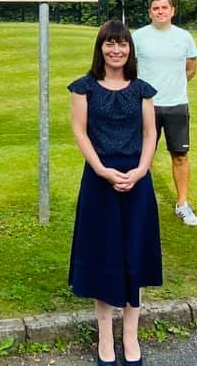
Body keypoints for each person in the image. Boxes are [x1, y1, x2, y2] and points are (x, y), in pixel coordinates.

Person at [68, 20, 161, 366]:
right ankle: (105, 336)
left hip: (137, 180)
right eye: (110, 44)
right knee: (104, 256)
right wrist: (101, 170)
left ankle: (131, 336)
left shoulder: (142, 90)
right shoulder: (84, 88)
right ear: (101, 48)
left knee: (133, 255)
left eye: (122, 44)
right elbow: (80, 132)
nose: (116, 50)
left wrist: (140, 170)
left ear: (130, 50)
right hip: (99, 180)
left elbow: (151, 134)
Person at [133, 0, 197, 226]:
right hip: (146, 106)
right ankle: (142, 203)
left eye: (164, 7)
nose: (160, 11)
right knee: (144, 156)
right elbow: (129, 69)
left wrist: (173, 86)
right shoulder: (138, 37)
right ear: (149, 12)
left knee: (180, 156)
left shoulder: (184, 37)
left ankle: (182, 204)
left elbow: (190, 69)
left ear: (172, 11)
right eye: (155, 8)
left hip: (176, 105)